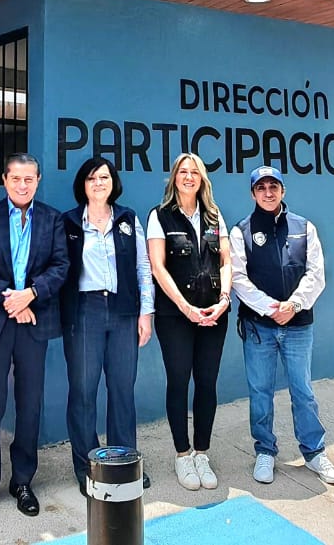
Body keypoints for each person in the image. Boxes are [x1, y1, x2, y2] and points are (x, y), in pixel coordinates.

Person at [0, 153, 70, 523]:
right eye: (16, 179)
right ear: (4, 180)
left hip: (33, 321)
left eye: (29, 179)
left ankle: (22, 481)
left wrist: (31, 294)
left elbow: (61, 266)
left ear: (38, 180)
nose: (22, 185)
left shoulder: (53, 219)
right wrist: (11, 299)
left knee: (30, 405)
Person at [229, 166, 334, 486]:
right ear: (253, 194)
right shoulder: (241, 231)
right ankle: (265, 451)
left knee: (303, 391)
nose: (268, 192)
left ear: (283, 191)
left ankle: (314, 451)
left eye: (273, 186)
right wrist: (270, 308)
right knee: (260, 392)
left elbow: (316, 274)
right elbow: (238, 278)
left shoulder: (305, 228)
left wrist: (293, 305)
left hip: (298, 325)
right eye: (261, 187)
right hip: (258, 328)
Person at [60, 157, 154, 495]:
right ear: (82, 185)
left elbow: (143, 268)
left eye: (104, 177)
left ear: (113, 182)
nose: (98, 183)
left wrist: (146, 313)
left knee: (122, 389)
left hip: (124, 310)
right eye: (91, 178)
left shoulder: (128, 219)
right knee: (83, 391)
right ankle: (88, 467)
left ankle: (123, 463)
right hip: (85, 312)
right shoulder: (69, 222)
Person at [146, 153, 232, 492]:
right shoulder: (159, 216)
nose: (188, 177)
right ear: (174, 178)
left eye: (194, 172)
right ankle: (182, 454)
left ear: (202, 179)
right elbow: (157, 267)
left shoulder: (214, 215)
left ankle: (202, 453)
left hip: (214, 314)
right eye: (183, 171)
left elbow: (226, 261)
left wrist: (224, 300)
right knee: (179, 382)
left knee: (207, 383)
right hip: (175, 317)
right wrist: (185, 307)